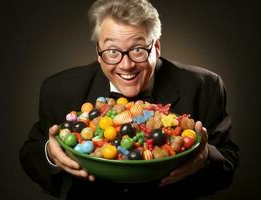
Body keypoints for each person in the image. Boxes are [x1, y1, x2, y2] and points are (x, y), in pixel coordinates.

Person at [19, 0, 239, 199]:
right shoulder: (59, 89)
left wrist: (204, 157)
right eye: (112, 51)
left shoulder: (205, 86)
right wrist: (51, 152)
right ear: (98, 51)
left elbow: (228, 162)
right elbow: (31, 155)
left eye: (138, 49)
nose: (126, 65)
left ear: (157, 47)